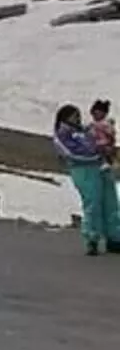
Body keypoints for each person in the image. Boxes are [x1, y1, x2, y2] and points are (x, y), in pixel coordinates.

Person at [54, 103, 120, 256]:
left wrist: (107, 149)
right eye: (73, 115)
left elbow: (99, 142)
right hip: (84, 171)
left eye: (77, 115)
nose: (76, 118)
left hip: (101, 168)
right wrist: (96, 154)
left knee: (111, 202)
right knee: (93, 203)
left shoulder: (85, 130)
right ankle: (92, 238)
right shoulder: (63, 134)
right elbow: (71, 153)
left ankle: (114, 238)